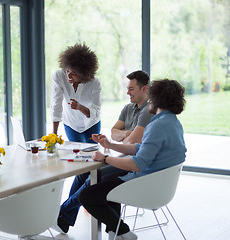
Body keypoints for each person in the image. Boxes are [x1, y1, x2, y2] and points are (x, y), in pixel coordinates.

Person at [79, 79, 187, 240]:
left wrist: (106, 158)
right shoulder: (172, 122)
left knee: (87, 196)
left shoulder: (157, 126)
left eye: (151, 96)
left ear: (157, 99)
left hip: (146, 184)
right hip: (159, 183)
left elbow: (136, 164)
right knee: (104, 177)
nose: (149, 100)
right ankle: (114, 233)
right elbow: (141, 148)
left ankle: (123, 232)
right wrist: (110, 144)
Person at [52, 70, 153, 234]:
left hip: (134, 165)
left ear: (144, 89)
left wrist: (126, 136)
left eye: (131, 89)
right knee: (84, 174)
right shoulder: (128, 108)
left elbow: (131, 143)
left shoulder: (148, 110)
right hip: (122, 157)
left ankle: (64, 214)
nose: (127, 92)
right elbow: (114, 133)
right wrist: (129, 133)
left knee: (96, 176)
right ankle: (66, 219)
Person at [51, 42, 101, 143]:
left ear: (84, 74)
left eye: (74, 73)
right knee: (77, 153)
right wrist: (53, 135)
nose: (69, 76)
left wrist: (80, 107)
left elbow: (95, 111)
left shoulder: (94, 83)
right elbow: (56, 104)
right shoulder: (59, 76)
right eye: (67, 70)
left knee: (92, 152)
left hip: (92, 123)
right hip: (71, 124)